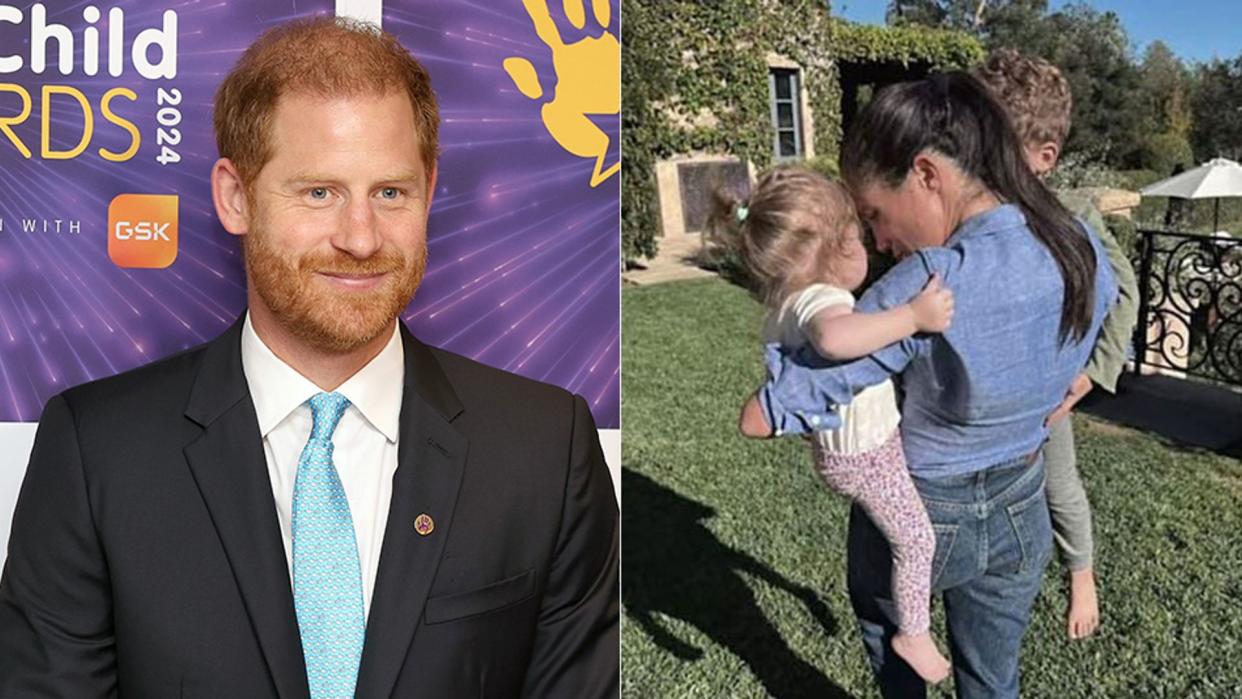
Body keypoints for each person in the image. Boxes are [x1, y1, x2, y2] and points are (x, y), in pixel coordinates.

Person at [0, 17, 618, 698]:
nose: (361, 237)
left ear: (429, 188)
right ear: (236, 197)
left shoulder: (544, 447)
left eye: (390, 192)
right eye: (319, 192)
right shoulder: (98, 453)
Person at [746, 72, 1117, 698]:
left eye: (875, 216)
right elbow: (1103, 328)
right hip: (1023, 502)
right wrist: (1057, 398)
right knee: (994, 684)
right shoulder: (1078, 244)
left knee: (899, 666)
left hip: (923, 507)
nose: (881, 241)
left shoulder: (929, 280)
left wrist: (766, 406)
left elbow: (806, 391)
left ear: (926, 174)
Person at [713, 166, 956, 682]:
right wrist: (914, 316)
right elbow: (835, 341)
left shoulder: (785, 301)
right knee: (917, 541)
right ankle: (913, 632)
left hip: (843, 451)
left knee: (899, 527)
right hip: (865, 453)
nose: (867, 243)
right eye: (858, 233)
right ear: (837, 247)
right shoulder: (824, 299)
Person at [975, 48, 1141, 640]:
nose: (978, 162)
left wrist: (1091, 375)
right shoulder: (962, 214)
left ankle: (1081, 574)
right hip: (981, 392)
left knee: (1059, 483)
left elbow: (1125, 292)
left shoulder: (1071, 217)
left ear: (1044, 158)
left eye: (995, 149)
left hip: (1048, 385)